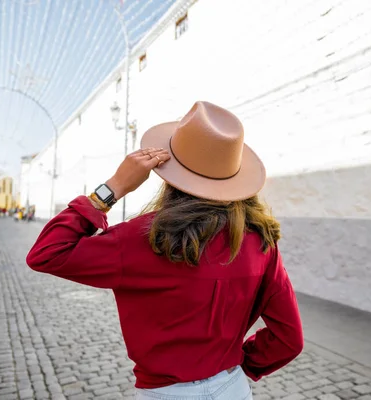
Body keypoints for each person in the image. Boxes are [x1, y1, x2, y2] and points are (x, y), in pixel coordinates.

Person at [27, 101, 304, 399]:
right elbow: (289, 339)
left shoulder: (141, 238)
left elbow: (47, 252)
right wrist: (236, 368)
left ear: (171, 171)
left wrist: (113, 187)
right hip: (232, 389)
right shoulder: (261, 242)